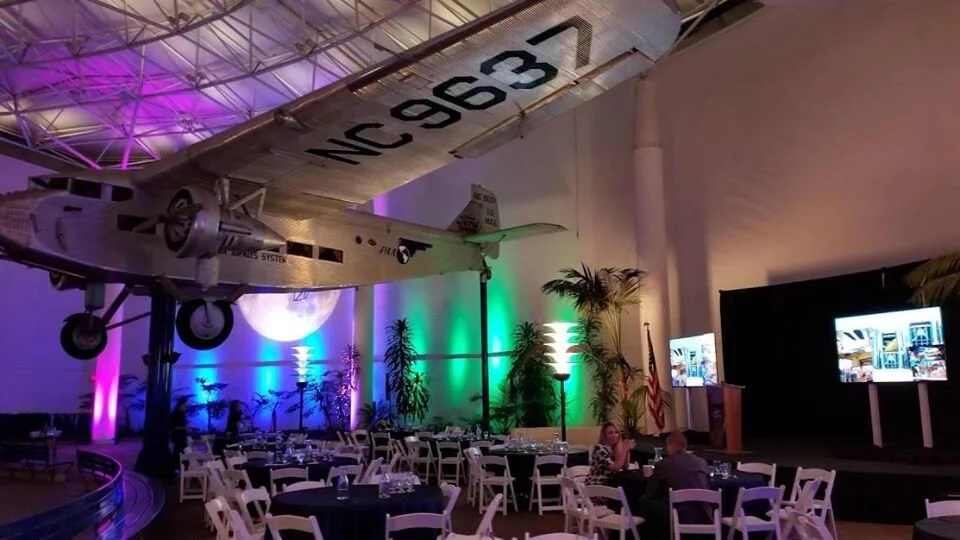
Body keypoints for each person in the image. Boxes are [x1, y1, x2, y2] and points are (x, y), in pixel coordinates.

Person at [640, 431, 711, 531]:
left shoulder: (664, 464)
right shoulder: (702, 463)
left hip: (678, 515)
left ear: (670, 445)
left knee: (645, 501)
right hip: (704, 514)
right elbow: (708, 485)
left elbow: (651, 492)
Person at [169, 397, 189, 466]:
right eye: (185, 405)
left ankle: (176, 466)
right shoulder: (176, 413)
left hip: (181, 436)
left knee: (179, 451)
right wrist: (184, 428)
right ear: (181, 404)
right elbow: (172, 426)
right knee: (179, 451)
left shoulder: (181, 414)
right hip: (177, 436)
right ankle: (177, 466)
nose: (186, 406)